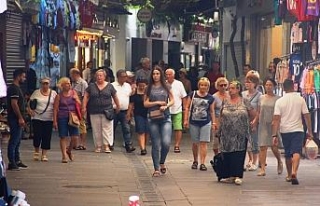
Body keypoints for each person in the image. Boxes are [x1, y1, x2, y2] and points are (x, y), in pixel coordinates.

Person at [272, 79, 313, 185]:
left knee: (288, 153)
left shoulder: (279, 101)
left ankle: (289, 174)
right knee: (296, 152)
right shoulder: (300, 99)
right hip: (298, 130)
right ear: (293, 87)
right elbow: (306, 115)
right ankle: (295, 172)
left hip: (285, 130)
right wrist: (310, 130)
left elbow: (276, 119)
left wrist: (274, 135)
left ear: (284, 88)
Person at [217, 80, 255, 185]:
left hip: (240, 133)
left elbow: (252, 113)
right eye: (229, 88)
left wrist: (249, 123)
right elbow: (221, 115)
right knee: (227, 152)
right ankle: (229, 175)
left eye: (233, 88)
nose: (230, 90)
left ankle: (238, 175)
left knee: (238, 153)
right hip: (226, 132)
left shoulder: (244, 101)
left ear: (238, 89)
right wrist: (219, 129)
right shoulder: (225, 101)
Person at [144, 65, 174, 177]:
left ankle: (162, 161)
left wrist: (166, 106)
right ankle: (156, 168)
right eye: (154, 74)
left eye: (157, 74)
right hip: (152, 117)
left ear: (161, 75)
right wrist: (157, 103)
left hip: (165, 116)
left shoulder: (166, 86)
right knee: (156, 143)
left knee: (166, 142)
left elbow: (172, 100)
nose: (155, 76)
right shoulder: (149, 87)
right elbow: (145, 103)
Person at [82, 69, 120, 153]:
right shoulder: (91, 86)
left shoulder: (110, 86)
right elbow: (86, 96)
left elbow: (115, 96)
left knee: (107, 128)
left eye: (101, 75)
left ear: (104, 77)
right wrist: (84, 107)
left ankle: (106, 145)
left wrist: (118, 106)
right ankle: (98, 146)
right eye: (97, 76)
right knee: (96, 129)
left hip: (107, 110)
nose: (99, 77)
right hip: (94, 110)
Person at [252, 78, 283, 176]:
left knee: (274, 146)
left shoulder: (278, 98)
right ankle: (262, 169)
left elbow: (280, 113)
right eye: (267, 85)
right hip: (263, 123)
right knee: (262, 146)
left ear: (274, 86)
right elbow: (259, 111)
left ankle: (279, 161)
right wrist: (255, 121)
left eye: (270, 85)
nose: (268, 87)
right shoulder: (261, 97)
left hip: (273, 124)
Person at [184, 77, 215, 171]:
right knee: (195, 143)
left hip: (205, 122)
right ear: (198, 85)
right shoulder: (192, 94)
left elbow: (212, 111)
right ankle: (195, 160)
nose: (203, 87)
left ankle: (202, 162)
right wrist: (185, 120)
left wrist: (214, 122)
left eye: (205, 85)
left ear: (208, 86)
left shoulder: (210, 97)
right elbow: (187, 107)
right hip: (194, 121)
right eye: (201, 85)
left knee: (203, 142)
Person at [28, 77, 57, 162]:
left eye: (47, 83)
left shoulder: (53, 93)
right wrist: (30, 110)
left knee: (47, 136)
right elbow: (29, 103)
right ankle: (36, 151)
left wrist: (55, 119)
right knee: (37, 135)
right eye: (43, 83)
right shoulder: (36, 92)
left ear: (49, 84)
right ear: (41, 84)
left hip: (49, 118)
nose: (45, 85)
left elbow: (56, 105)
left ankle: (44, 154)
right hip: (37, 117)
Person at [53, 77, 80, 163]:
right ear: (62, 85)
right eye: (67, 83)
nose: (69, 85)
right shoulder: (58, 96)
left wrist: (76, 99)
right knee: (63, 136)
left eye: (69, 83)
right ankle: (64, 155)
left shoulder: (73, 93)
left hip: (73, 116)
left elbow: (79, 104)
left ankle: (69, 150)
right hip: (62, 117)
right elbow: (55, 109)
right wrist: (55, 121)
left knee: (75, 137)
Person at [6, 69, 28, 170]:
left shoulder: (17, 88)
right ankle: (12, 162)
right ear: (18, 76)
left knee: (18, 139)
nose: (24, 78)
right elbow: (14, 104)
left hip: (18, 118)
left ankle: (17, 160)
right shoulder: (14, 89)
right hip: (14, 118)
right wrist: (19, 117)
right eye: (23, 76)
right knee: (14, 140)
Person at [112, 69, 136, 153]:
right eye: (123, 77)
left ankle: (128, 145)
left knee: (126, 128)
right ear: (118, 77)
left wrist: (130, 111)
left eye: (126, 77)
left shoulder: (128, 86)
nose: (125, 78)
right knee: (112, 128)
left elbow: (130, 98)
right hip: (114, 110)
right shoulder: (112, 85)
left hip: (125, 110)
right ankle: (110, 144)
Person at [242, 74, 262, 171]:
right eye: (246, 82)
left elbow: (259, 110)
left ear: (255, 84)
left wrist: (255, 121)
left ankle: (255, 161)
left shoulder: (259, 95)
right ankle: (249, 160)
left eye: (249, 82)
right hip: (243, 121)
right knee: (245, 141)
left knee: (254, 141)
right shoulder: (242, 94)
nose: (247, 84)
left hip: (254, 120)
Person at [165, 68, 187, 153]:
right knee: (166, 128)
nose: (168, 76)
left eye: (170, 74)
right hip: (166, 109)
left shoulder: (179, 84)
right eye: (166, 74)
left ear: (173, 75)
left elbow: (183, 97)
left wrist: (184, 108)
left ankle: (177, 145)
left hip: (177, 109)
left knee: (178, 128)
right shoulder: (164, 84)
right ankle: (166, 144)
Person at [127, 78, 149, 155]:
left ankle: (144, 146)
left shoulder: (149, 93)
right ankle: (142, 148)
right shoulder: (134, 94)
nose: (142, 87)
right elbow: (131, 104)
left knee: (147, 131)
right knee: (141, 131)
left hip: (148, 114)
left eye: (143, 86)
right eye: (140, 86)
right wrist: (128, 114)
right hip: (138, 114)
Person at [70, 68, 88, 150]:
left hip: (80, 106)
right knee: (74, 123)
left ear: (75, 74)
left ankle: (82, 143)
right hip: (73, 106)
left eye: (71, 75)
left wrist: (83, 107)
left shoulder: (83, 83)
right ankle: (74, 143)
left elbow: (85, 96)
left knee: (82, 124)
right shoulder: (72, 83)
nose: (71, 77)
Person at [212, 77, 229, 155]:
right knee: (216, 141)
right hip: (218, 119)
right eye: (221, 85)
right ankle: (217, 156)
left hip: (229, 119)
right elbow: (212, 110)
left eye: (225, 85)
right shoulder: (214, 97)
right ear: (217, 86)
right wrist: (214, 122)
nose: (223, 87)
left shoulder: (230, 95)